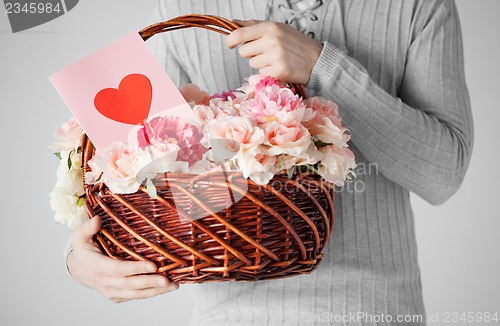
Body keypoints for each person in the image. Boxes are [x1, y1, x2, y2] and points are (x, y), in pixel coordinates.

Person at [66, 0, 473, 325]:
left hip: (378, 314)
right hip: (231, 317)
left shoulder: (419, 5)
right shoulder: (181, 9)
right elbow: (156, 187)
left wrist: (323, 67)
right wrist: (85, 259)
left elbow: (443, 176)